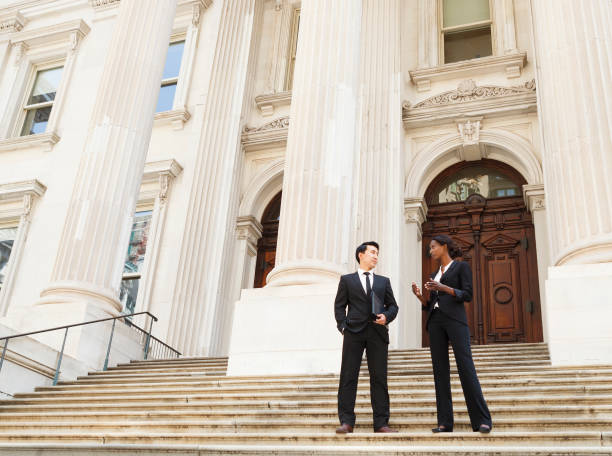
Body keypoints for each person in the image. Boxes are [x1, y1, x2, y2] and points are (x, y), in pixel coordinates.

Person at [411, 234, 492, 434]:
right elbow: (430, 305)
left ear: (444, 246)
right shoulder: (435, 272)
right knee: (440, 372)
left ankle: (482, 420)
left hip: (455, 321)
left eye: (433, 247)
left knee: (466, 368)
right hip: (435, 322)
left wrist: (444, 288)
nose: (430, 251)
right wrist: (420, 296)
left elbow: (468, 294)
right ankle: (445, 423)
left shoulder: (461, 267)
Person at [334, 241, 399, 434]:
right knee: (348, 376)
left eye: (377, 253)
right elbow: (339, 306)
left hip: (378, 334)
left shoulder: (383, 281)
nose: (376, 256)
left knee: (379, 377)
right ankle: (346, 421)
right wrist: (343, 326)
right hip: (353, 333)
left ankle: (381, 423)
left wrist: (386, 316)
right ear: (360, 255)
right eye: (372, 252)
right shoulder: (347, 280)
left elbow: (393, 306)